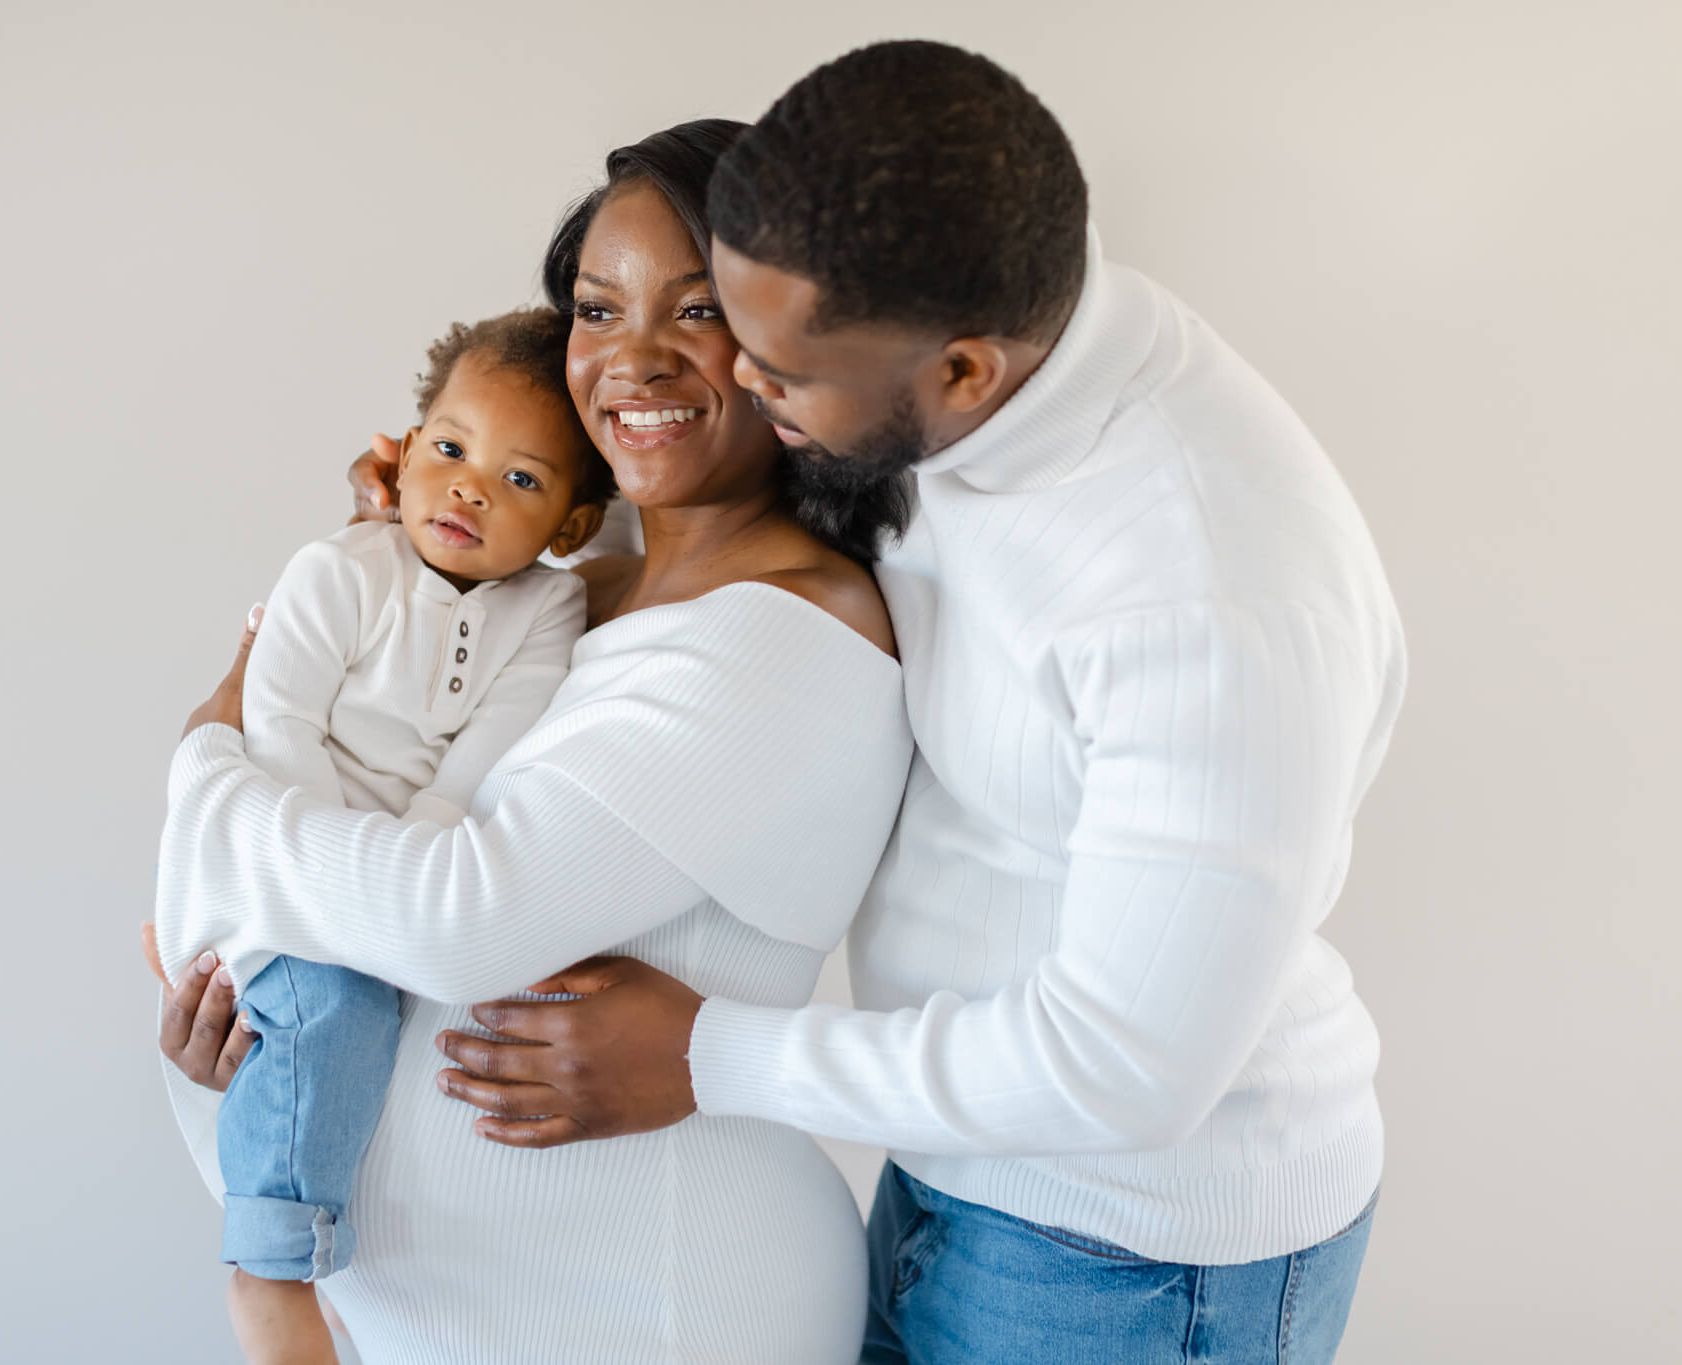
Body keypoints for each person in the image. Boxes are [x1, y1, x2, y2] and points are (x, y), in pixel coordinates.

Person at [429, 42, 1408, 1365]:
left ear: (962, 373)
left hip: (1133, 1248)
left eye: (777, 372)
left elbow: (1127, 1067)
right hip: (954, 1158)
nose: (747, 392)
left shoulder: (1199, 593)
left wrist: (715, 1057)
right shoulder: (976, 318)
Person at [151, 119, 913, 1364]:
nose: (633, 360)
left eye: (698, 308)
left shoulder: (783, 634)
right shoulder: (574, 591)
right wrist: (245, 999)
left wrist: (206, 781)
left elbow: (457, 921)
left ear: (796, 335)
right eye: (597, 310)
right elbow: (357, 743)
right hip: (447, 1318)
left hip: (653, 1311)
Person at [153, 307, 615, 1362]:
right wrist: (353, 883)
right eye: (450, 451)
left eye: (522, 480)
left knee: (360, 1014)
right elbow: (275, 729)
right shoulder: (341, 568)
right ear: (398, 457)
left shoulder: (544, 612)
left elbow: (484, 756)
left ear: (572, 526)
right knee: (330, 1010)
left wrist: (414, 862)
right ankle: (269, 1268)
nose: (470, 488)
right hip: (275, 863)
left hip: (395, 872)